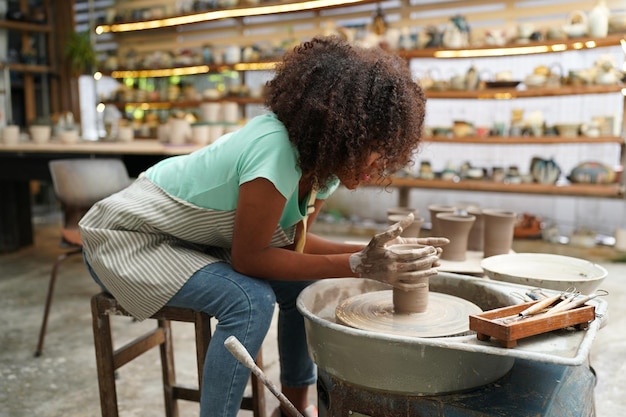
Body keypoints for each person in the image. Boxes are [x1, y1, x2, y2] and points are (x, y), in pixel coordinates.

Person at [79, 36, 447, 417]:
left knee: (300, 282)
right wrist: (355, 264)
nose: (381, 165)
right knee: (249, 299)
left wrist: (373, 253)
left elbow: (293, 248)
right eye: (377, 148)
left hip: (185, 240)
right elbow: (249, 259)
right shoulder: (275, 148)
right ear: (346, 129)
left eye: (389, 154)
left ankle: (292, 409)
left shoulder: (325, 168)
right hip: (126, 238)